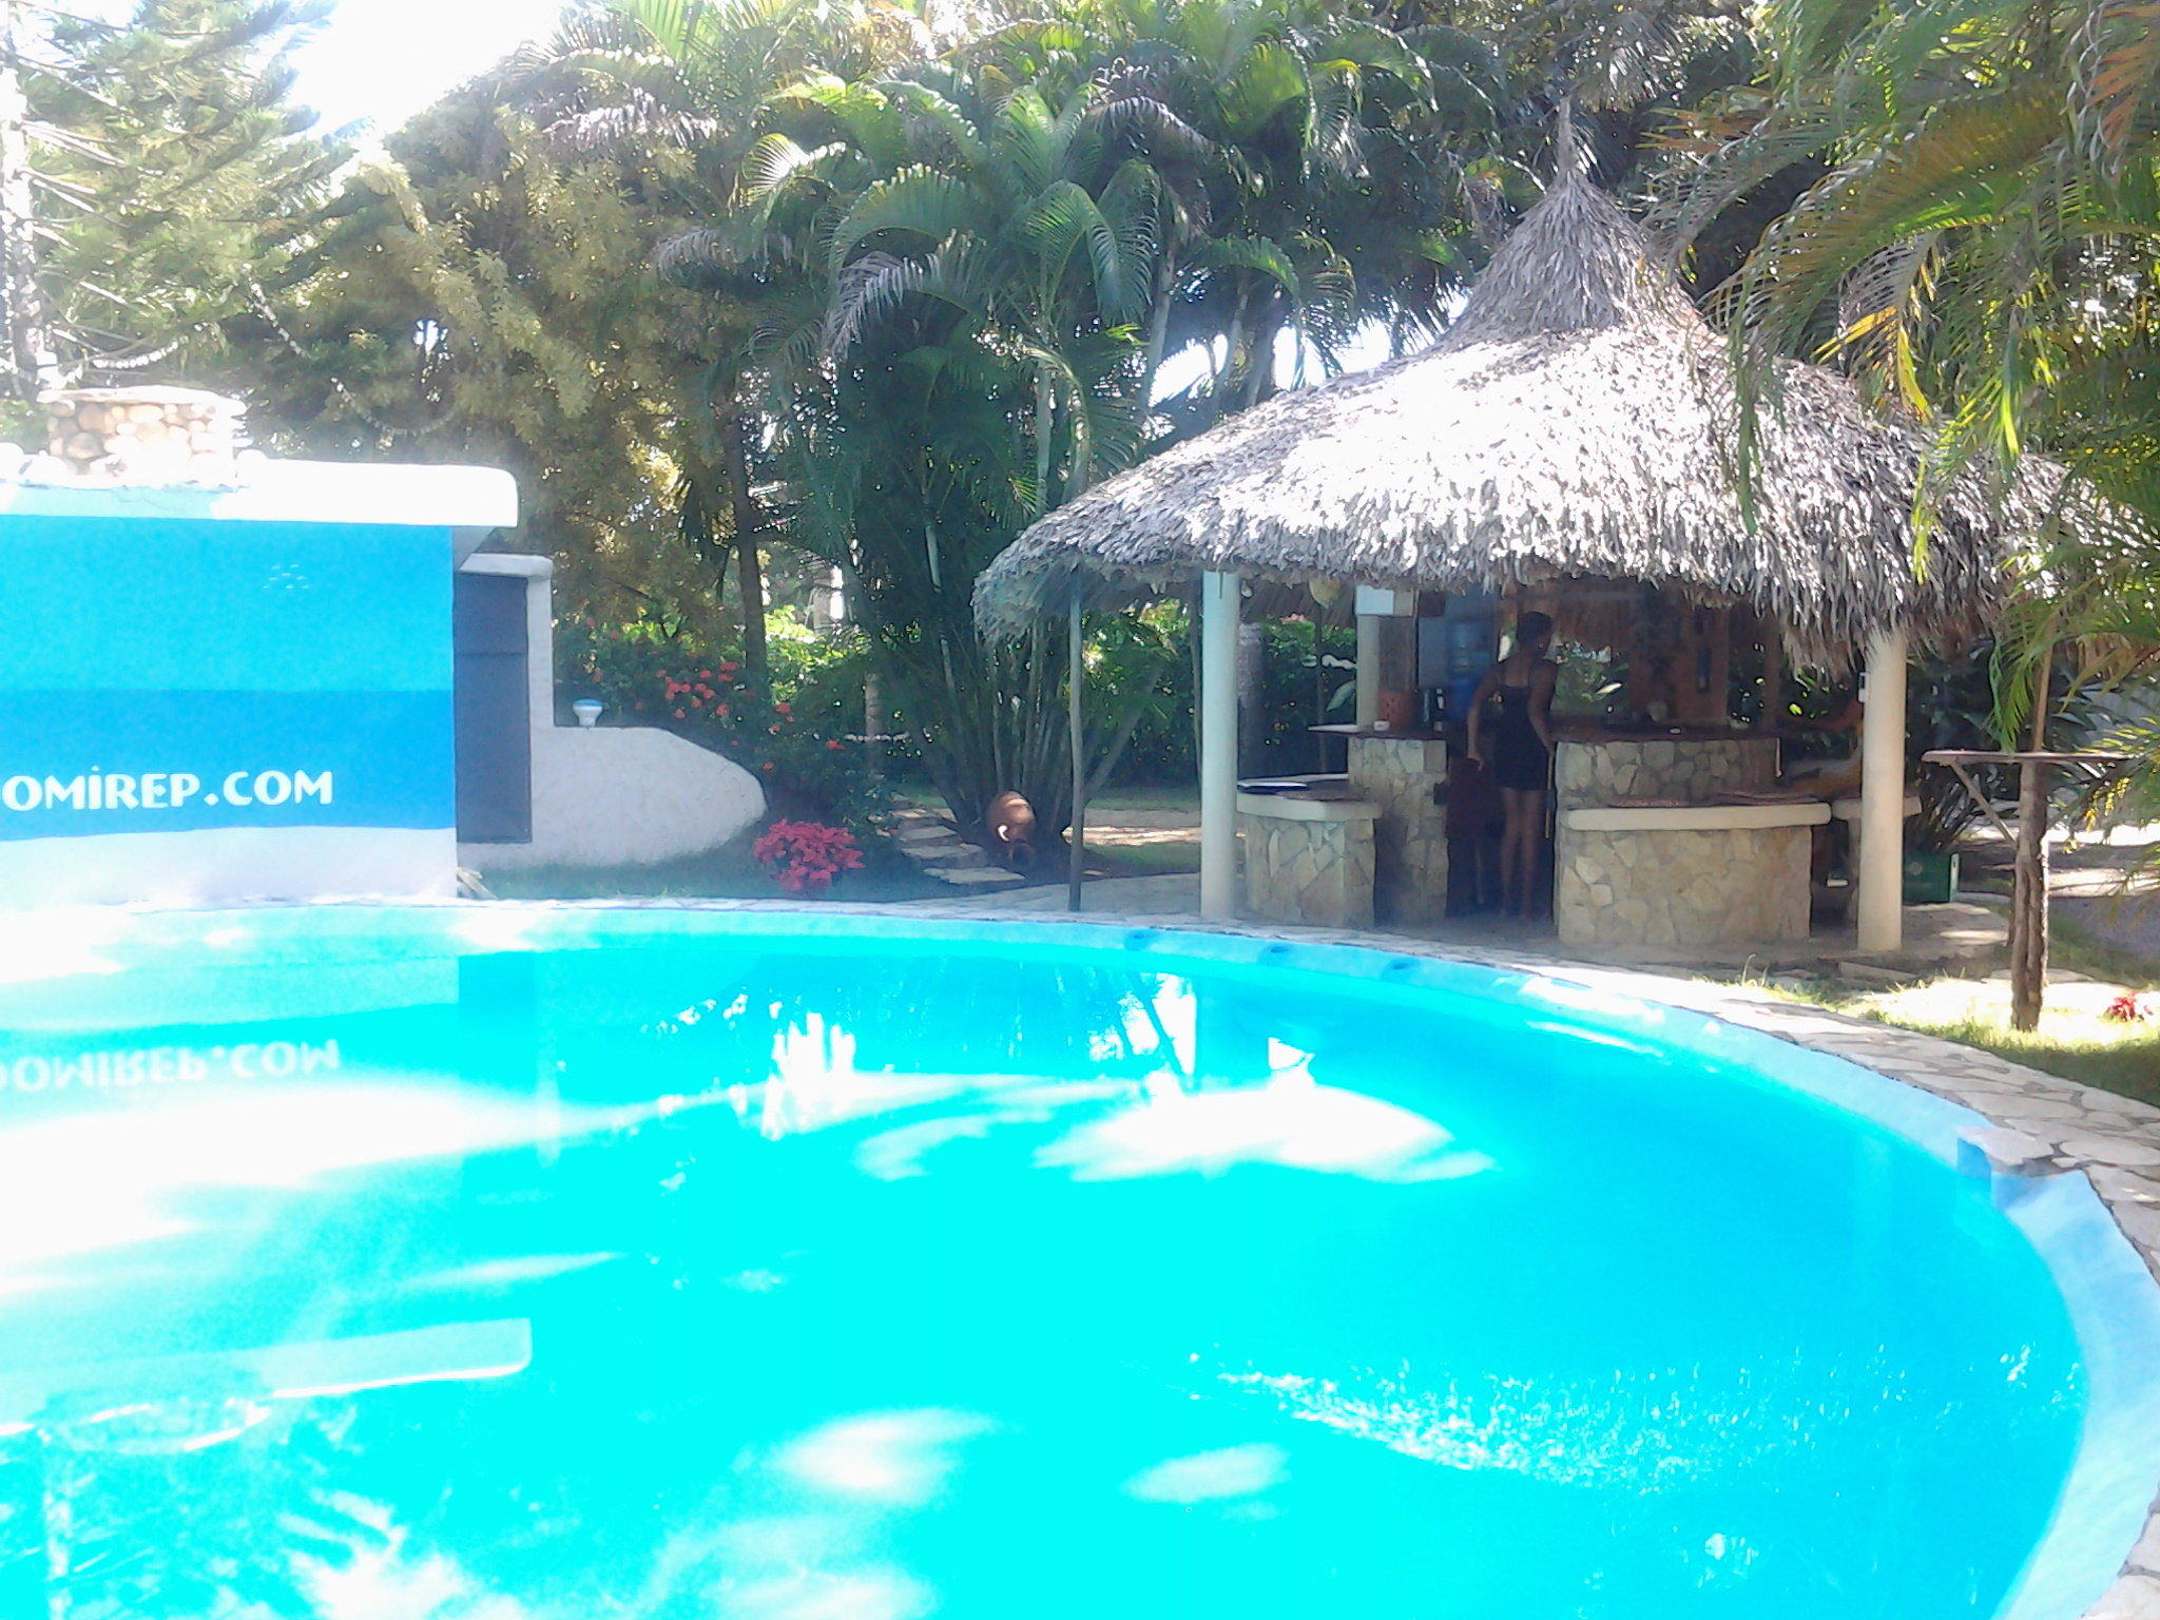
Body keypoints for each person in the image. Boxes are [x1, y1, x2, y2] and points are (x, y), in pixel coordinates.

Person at [1466, 612, 1559, 918]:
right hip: (1531, 746)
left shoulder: (1501, 668)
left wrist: (1473, 747)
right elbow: (1535, 712)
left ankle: (1507, 901)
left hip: (1506, 745)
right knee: (1531, 828)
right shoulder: (1544, 670)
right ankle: (1527, 904)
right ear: (1541, 638)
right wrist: (1552, 749)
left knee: (1512, 825)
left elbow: (1475, 704)